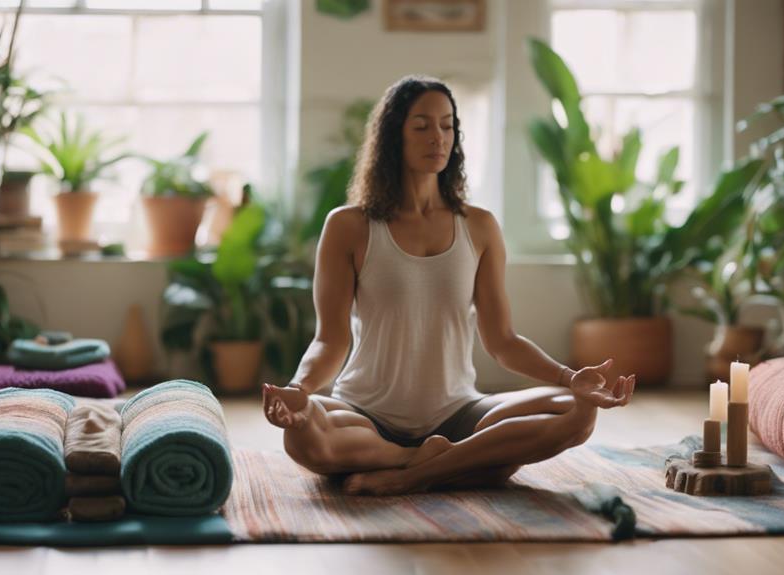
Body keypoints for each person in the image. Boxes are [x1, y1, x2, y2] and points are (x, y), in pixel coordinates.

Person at [262, 75, 635, 496]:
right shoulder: (349, 226)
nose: (437, 137)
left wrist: (571, 379)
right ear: (392, 137)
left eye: (446, 125)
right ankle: (457, 463)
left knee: (576, 413)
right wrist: (299, 390)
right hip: (364, 413)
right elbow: (330, 339)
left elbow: (502, 341)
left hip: (459, 412)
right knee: (302, 437)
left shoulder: (480, 226)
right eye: (421, 126)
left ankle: (410, 476)